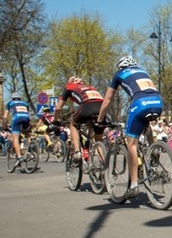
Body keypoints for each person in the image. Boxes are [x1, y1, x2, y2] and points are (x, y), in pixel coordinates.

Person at [97, 56, 163, 199]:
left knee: (131, 143)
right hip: (158, 102)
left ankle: (133, 185)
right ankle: (153, 152)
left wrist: (100, 119)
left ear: (120, 67)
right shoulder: (143, 71)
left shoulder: (119, 74)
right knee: (146, 122)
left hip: (140, 103)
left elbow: (108, 99)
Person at [53, 76, 104, 162]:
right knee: (98, 139)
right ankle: (103, 163)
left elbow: (58, 108)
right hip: (102, 107)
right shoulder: (90, 87)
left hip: (87, 106)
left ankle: (77, 152)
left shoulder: (69, 86)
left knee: (73, 123)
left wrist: (55, 120)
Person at [3, 92, 31, 167]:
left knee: (15, 138)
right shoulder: (25, 103)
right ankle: (30, 148)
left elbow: (5, 117)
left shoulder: (10, 103)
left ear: (12, 98)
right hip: (26, 118)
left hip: (17, 118)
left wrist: (5, 126)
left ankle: (19, 157)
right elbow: (28, 114)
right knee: (26, 133)